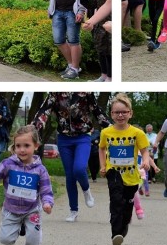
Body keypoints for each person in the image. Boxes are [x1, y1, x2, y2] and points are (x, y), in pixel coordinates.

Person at [31, 92, 110, 222]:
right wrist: (33, 129)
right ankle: (73, 211)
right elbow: (43, 112)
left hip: (83, 137)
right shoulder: (55, 94)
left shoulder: (86, 93)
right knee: (70, 175)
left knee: (79, 169)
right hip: (64, 139)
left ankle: (86, 190)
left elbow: (97, 111)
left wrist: (112, 128)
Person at [0, 125, 54, 245]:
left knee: (34, 240)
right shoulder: (7, 164)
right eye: (18, 146)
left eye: (26, 145)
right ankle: (19, 226)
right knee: (6, 240)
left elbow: (46, 190)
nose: (22, 150)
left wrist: (48, 203)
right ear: (14, 147)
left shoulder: (40, 169)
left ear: (36, 146)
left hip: (32, 210)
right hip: (11, 209)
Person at [99, 93, 150, 245]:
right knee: (115, 202)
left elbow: (145, 150)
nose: (120, 115)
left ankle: (123, 229)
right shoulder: (106, 132)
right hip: (113, 172)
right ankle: (115, 233)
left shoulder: (137, 133)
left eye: (124, 112)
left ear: (130, 113)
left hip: (132, 176)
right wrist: (103, 166)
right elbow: (101, 148)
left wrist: (146, 161)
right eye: (116, 112)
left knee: (127, 207)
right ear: (112, 114)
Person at [82, 0, 113, 82]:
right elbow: (90, 4)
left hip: (111, 23)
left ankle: (110, 78)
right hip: (100, 23)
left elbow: (110, 5)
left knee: (111, 52)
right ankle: (104, 75)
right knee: (101, 50)